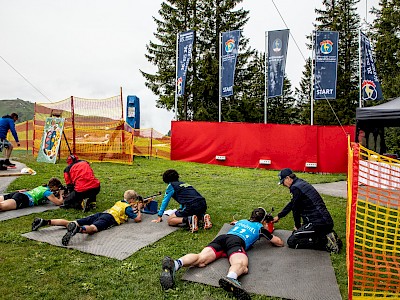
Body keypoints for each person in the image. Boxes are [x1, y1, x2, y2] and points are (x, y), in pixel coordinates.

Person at [159, 207, 284, 299]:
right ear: (262, 220)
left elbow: (234, 223)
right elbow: (278, 242)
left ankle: (176, 263)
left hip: (222, 238)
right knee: (242, 265)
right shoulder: (260, 228)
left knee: (201, 259)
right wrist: (267, 229)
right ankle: (231, 278)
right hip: (236, 242)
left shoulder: (240, 221)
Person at [32, 189, 142, 246]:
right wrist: (140, 209)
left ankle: (45, 222)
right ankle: (78, 229)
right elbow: (137, 219)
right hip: (109, 219)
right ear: (132, 200)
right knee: (93, 228)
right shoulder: (128, 207)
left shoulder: (119, 202)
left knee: (72, 221)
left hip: (102, 213)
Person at [273, 168, 342, 253]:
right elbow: (292, 203)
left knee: (292, 241)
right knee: (301, 234)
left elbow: (296, 210)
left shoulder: (295, 188)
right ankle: (326, 235)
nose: (283, 185)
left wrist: (297, 226)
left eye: (283, 182)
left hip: (318, 222)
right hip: (324, 220)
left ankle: (326, 243)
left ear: (288, 178)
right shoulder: (300, 183)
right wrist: (279, 216)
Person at [0, 177, 64, 211]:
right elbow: (58, 203)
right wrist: (61, 194)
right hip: (24, 199)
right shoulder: (48, 192)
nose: (57, 189)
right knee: (1, 206)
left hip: (21, 194)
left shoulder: (42, 187)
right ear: (55, 186)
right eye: (58, 188)